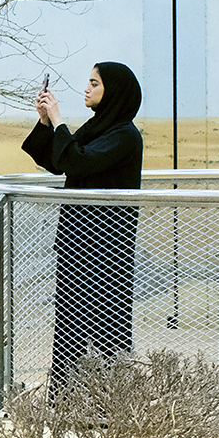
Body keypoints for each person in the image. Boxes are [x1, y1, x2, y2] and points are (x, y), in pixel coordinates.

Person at [23, 61, 144, 384]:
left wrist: (59, 120)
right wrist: (46, 122)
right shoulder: (98, 128)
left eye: (94, 83)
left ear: (113, 92)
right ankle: (65, 401)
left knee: (108, 329)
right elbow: (59, 162)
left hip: (105, 253)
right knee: (70, 328)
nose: (86, 89)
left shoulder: (124, 135)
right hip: (78, 246)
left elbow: (78, 161)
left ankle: (111, 403)